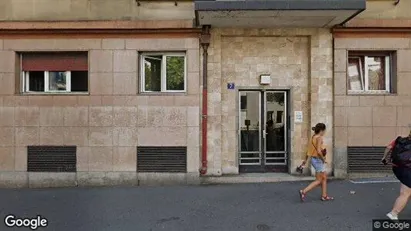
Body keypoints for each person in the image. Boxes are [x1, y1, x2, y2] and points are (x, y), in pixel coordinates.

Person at [299, 123, 333, 202]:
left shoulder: (313, 137)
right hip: (318, 160)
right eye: (324, 130)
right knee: (319, 180)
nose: (324, 132)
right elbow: (318, 151)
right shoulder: (319, 138)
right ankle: (303, 191)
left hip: (314, 160)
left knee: (324, 178)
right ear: (321, 130)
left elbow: (309, 151)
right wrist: (323, 159)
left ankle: (324, 196)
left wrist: (305, 160)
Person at [381, 130, 411, 220]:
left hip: (397, 168)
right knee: (405, 193)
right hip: (408, 170)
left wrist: (384, 158)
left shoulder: (400, 140)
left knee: (408, 191)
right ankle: (394, 213)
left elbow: (388, 147)